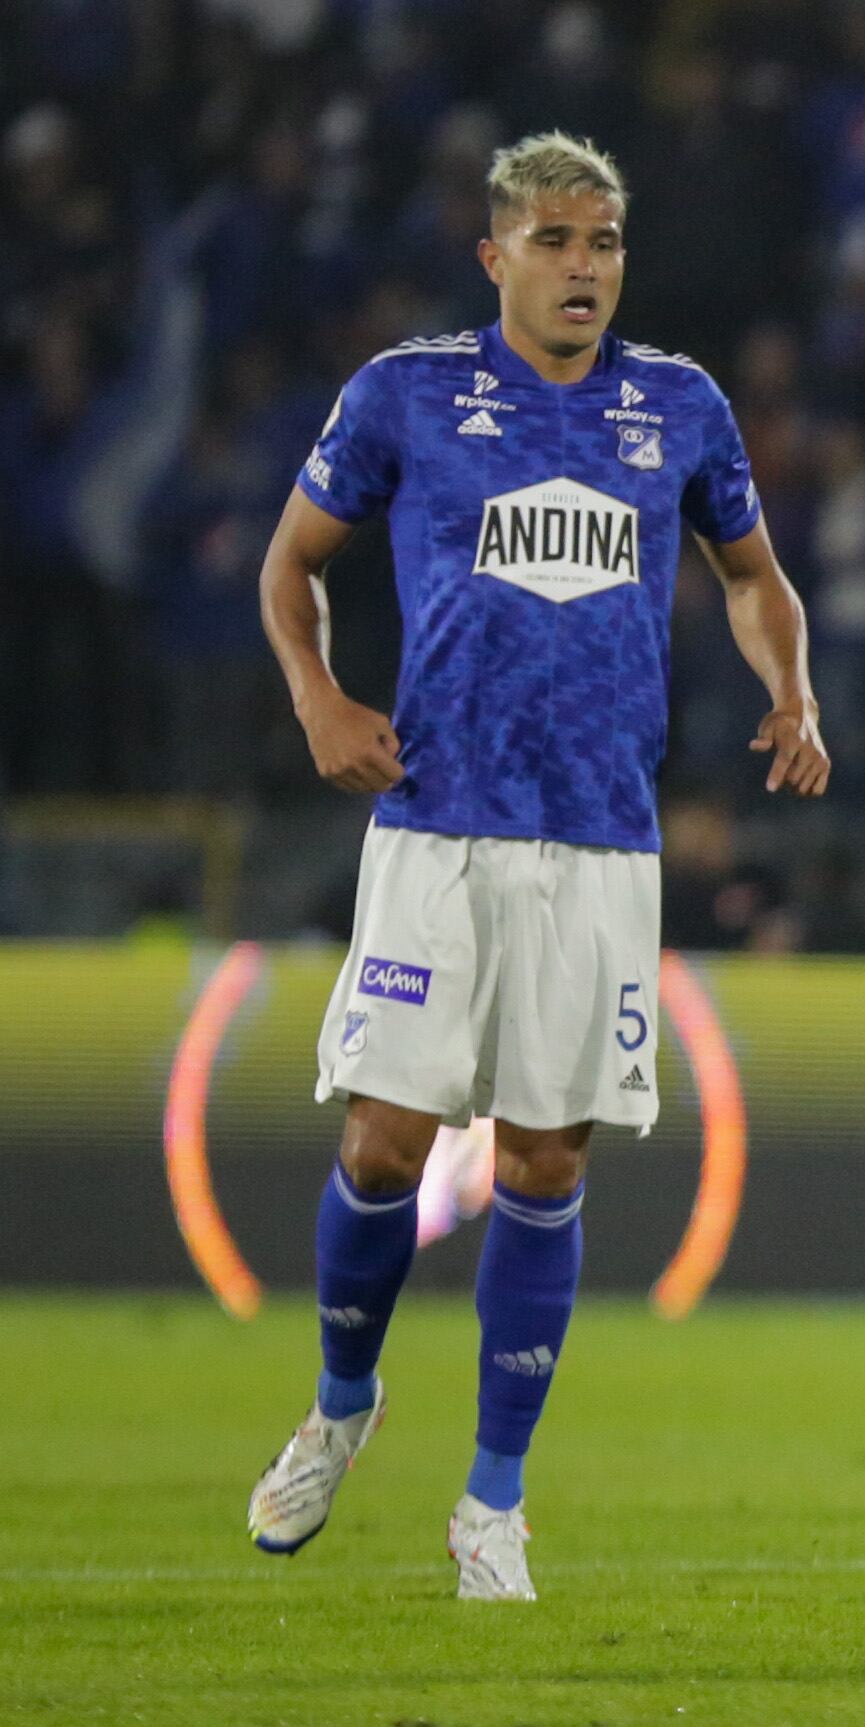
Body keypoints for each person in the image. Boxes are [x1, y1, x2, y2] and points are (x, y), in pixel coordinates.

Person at [246, 132, 829, 1600]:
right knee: (384, 1142)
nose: (586, 266)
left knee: (546, 1157)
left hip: (597, 842)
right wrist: (320, 703)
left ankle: (493, 1501)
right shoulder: (408, 394)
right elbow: (290, 563)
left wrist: (792, 690)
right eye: (558, 241)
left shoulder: (677, 407)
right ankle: (340, 1401)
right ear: (494, 254)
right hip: (436, 823)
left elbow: (752, 577)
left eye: (607, 241)